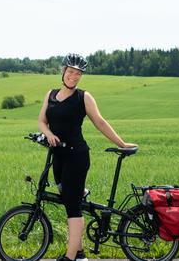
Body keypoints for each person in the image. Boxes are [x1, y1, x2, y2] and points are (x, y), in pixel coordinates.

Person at [38, 53, 137, 261]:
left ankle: (71, 258)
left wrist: (122, 144)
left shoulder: (84, 97)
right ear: (63, 71)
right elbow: (42, 121)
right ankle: (81, 252)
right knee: (68, 198)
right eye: (71, 72)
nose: (74, 76)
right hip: (58, 157)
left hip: (77, 157)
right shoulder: (51, 95)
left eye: (78, 74)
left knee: (72, 207)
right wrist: (48, 134)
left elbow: (100, 122)